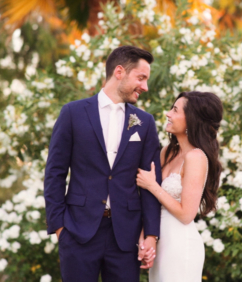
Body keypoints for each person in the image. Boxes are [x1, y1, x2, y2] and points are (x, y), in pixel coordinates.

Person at [44, 45, 162, 282]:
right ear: (119, 72)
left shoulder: (145, 123)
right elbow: (54, 173)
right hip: (77, 232)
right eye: (141, 78)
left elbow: (151, 182)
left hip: (125, 237)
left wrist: (151, 234)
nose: (145, 87)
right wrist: (60, 228)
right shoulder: (72, 113)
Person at [136, 91, 223, 282]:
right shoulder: (168, 152)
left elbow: (186, 214)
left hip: (180, 245)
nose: (168, 113)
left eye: (175, 110)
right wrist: (145, 236)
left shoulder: (196, 157)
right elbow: (152, 202)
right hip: (161, 242)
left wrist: (153, 186)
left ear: (191, 120)